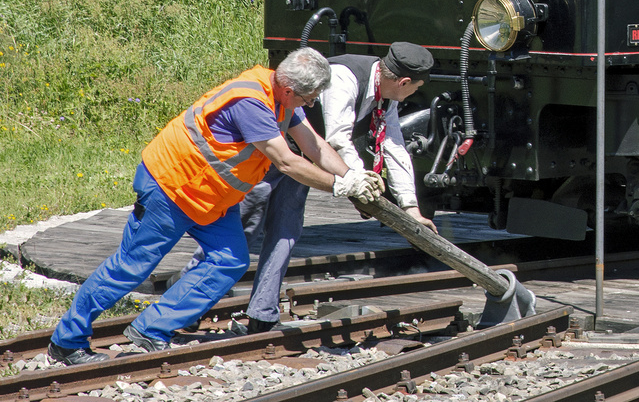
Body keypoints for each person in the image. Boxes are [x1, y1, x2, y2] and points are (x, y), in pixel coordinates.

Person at [48, 49, 379, 365]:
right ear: (290, 89)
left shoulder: (282, 97)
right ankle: (67, 341)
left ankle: (152, 328)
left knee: (230, 260)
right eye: (309, 99)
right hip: (172, 189)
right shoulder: (251, 101)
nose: (312, 104)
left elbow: (313, 143)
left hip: (211, 198)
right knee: (130, 268)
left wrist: (353, 174)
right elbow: (288, 161)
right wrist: (339, 186)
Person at [227, 43, 437, 334]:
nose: (415, 93)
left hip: (305, 164)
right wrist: (355, 179)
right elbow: (337, 137)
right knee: (242, 228)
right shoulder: (344, 77)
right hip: (270, 153)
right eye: (416, 88)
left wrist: (411, 207)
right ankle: (195, 296)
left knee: (286, 233)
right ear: (403, 82)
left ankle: (263, 313)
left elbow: (394, 146)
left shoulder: (386, 94)